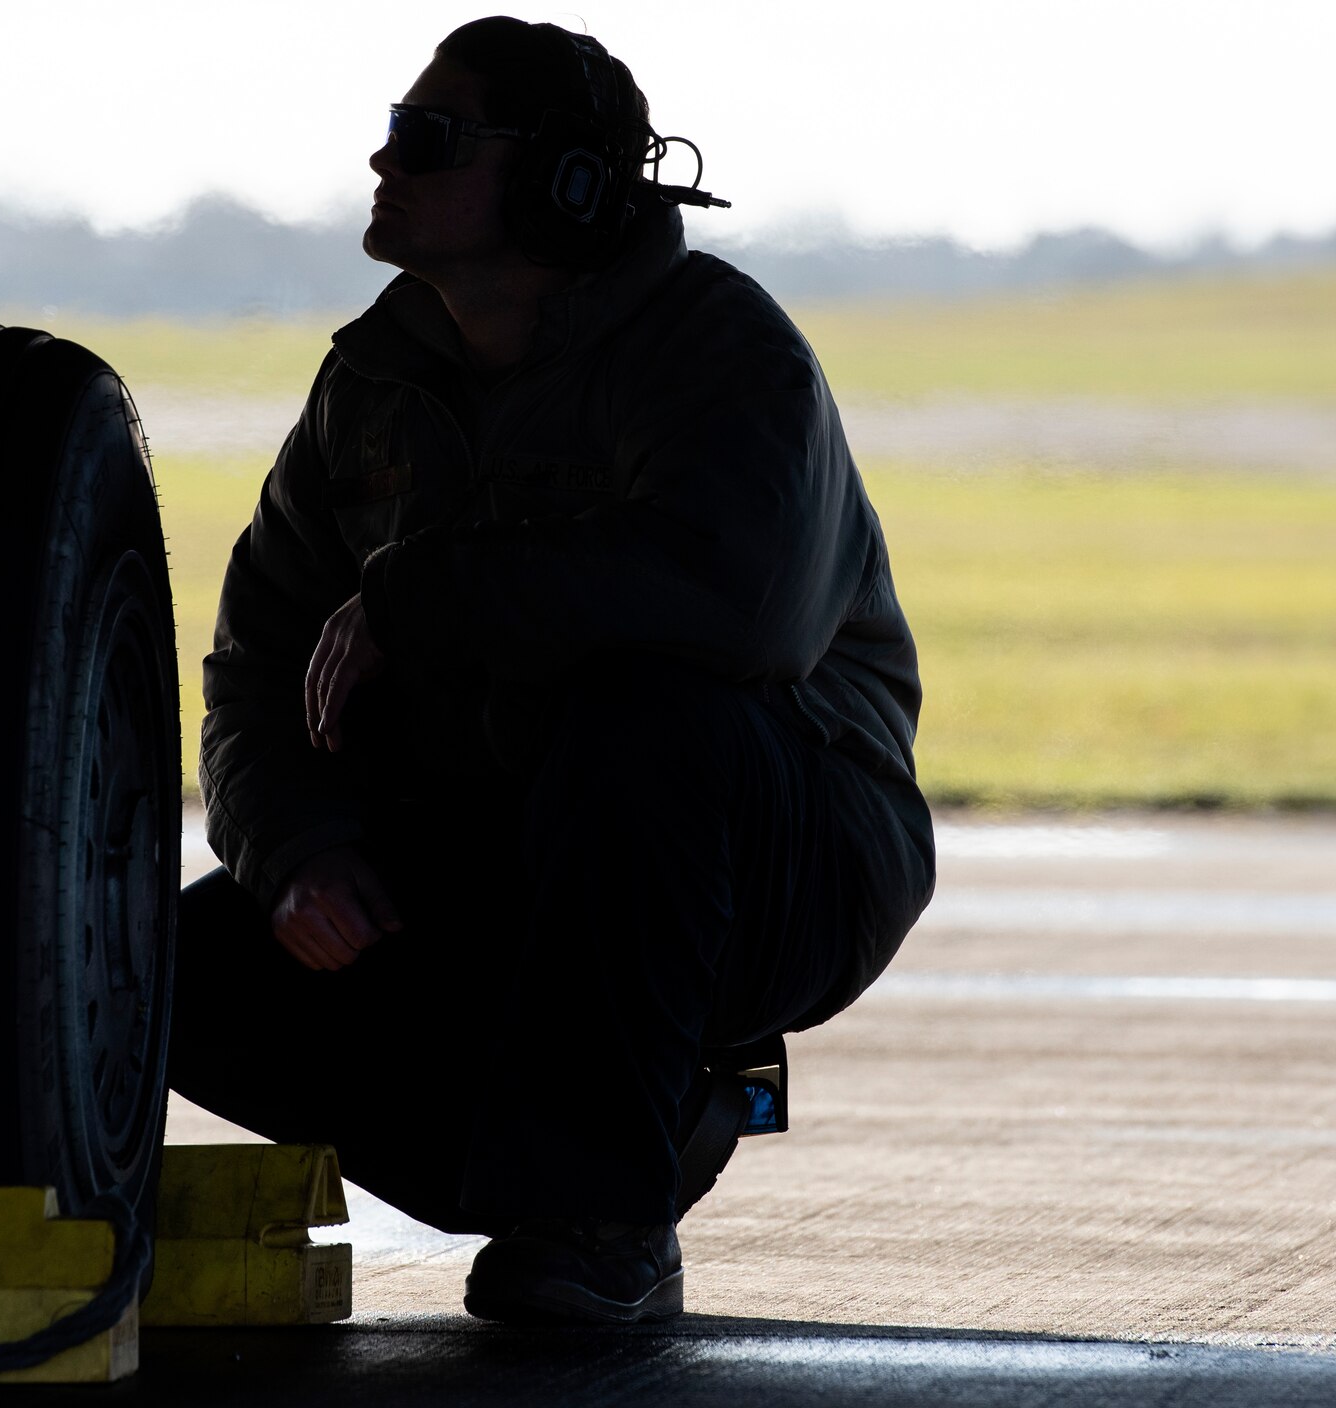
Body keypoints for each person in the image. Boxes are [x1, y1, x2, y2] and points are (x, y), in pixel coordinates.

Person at [167, 16, 934, 1325]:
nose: (383, 158)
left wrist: (416, 600)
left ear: (566, 181)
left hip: (787, 847)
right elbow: (256, 669)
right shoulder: (374, 383)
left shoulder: (718, 351)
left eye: (429, 137)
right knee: (170, 964)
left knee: (643, 720)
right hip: (519, 847)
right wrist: (296, 847)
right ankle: (569, 1167)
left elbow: (736, 604)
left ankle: (603, 1218)